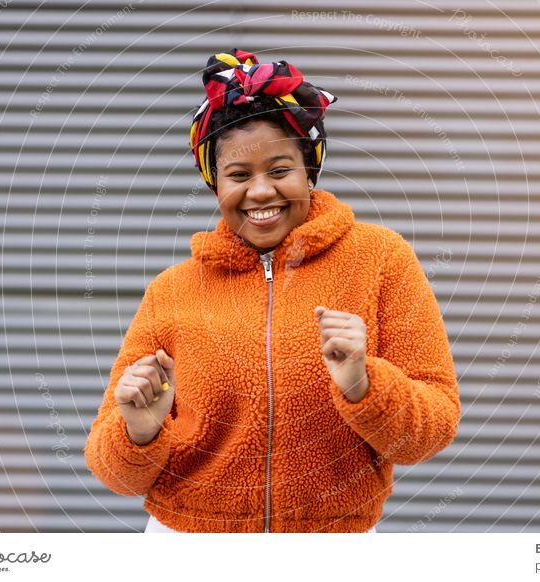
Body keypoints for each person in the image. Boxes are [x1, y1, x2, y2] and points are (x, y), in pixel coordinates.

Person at [84, 48, 461, 533]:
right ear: (214, 184)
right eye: (238, 176)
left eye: (280, 170)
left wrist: (363, 384)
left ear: (310, 168)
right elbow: (113, 473)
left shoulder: (380, 259)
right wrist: (139, 429)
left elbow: (430, 433)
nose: (260, 192)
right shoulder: (172, 291)